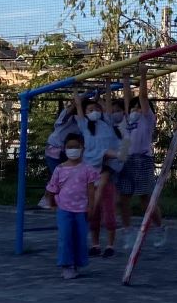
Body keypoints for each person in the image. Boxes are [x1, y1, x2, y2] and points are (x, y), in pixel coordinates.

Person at [45, 132, 100, 280]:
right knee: (65, 237)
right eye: (70, 147)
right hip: (64, 209)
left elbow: (91, 190)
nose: (73, 149)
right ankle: (67, 265)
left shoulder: (88, 169)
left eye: (76, 146)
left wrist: (91, 207)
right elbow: (52, 188)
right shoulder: (59, 169)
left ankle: (76, 263)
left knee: (80, 237)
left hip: (82, 210)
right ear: (64, 148)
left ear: (82, 148)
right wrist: (52, 204)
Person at [77, 92, 126, 258]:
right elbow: (79, 105)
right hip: (92, 166)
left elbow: (108, 105)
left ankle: (110, 245)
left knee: (108, 212)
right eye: (90, 110)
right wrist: (77, 93)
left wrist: (108, 85)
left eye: (96, 109)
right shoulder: (84, 125)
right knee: (95, 213)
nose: (94, 112)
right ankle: (95, 244)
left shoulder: (106, 122)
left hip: (106, 166)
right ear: (85, 113)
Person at [117, 72, 159, 231]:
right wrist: (125, 79)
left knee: (145, 199)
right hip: (127, 159)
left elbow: (143, 97)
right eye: (133, 108)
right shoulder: (129, 118)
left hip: (143, 160)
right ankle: (127, 230)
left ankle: (159, 227)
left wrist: (143, 75)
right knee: (123, 199)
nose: (135, 109)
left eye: (139, 107)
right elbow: (128, 99)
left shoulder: (148, 119)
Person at [38, 102, 80, 210]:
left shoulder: (82, 121)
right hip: (54, 149)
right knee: (56, 175)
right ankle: (47, 199)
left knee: (68, 175)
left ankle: (62, 199)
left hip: (68, 150)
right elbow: (71, 109)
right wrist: (78, 100)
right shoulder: (66, 116)